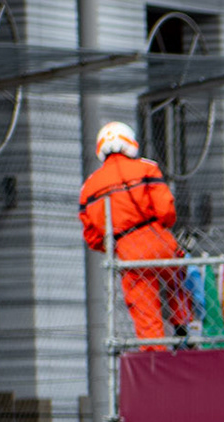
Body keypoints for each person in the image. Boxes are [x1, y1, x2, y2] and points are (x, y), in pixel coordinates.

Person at [78, 122, 190, 347]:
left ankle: (154, 358)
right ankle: (184, 326)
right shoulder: (146, 168)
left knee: (145, 312)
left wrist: (114, 245)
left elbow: (92, 238)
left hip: (128, 251)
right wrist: (162, 226)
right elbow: (166, 210)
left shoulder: (89, 187)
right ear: (130, 142)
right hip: (157, 237)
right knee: (176, 280)